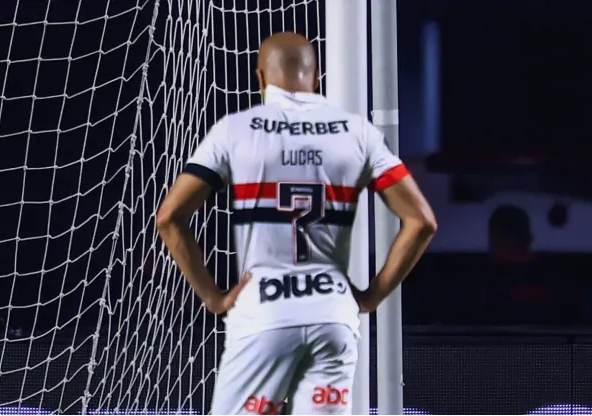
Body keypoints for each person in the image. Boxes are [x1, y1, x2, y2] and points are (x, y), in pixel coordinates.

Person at [156, 32, 437, 415]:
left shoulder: (234, 131)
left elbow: (170, 218)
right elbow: (421, 222)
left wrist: (212, 296)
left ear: (260, 78)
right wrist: (371, 296)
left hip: (264, 317)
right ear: (317, 77)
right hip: (332, 318)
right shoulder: (357, 133)